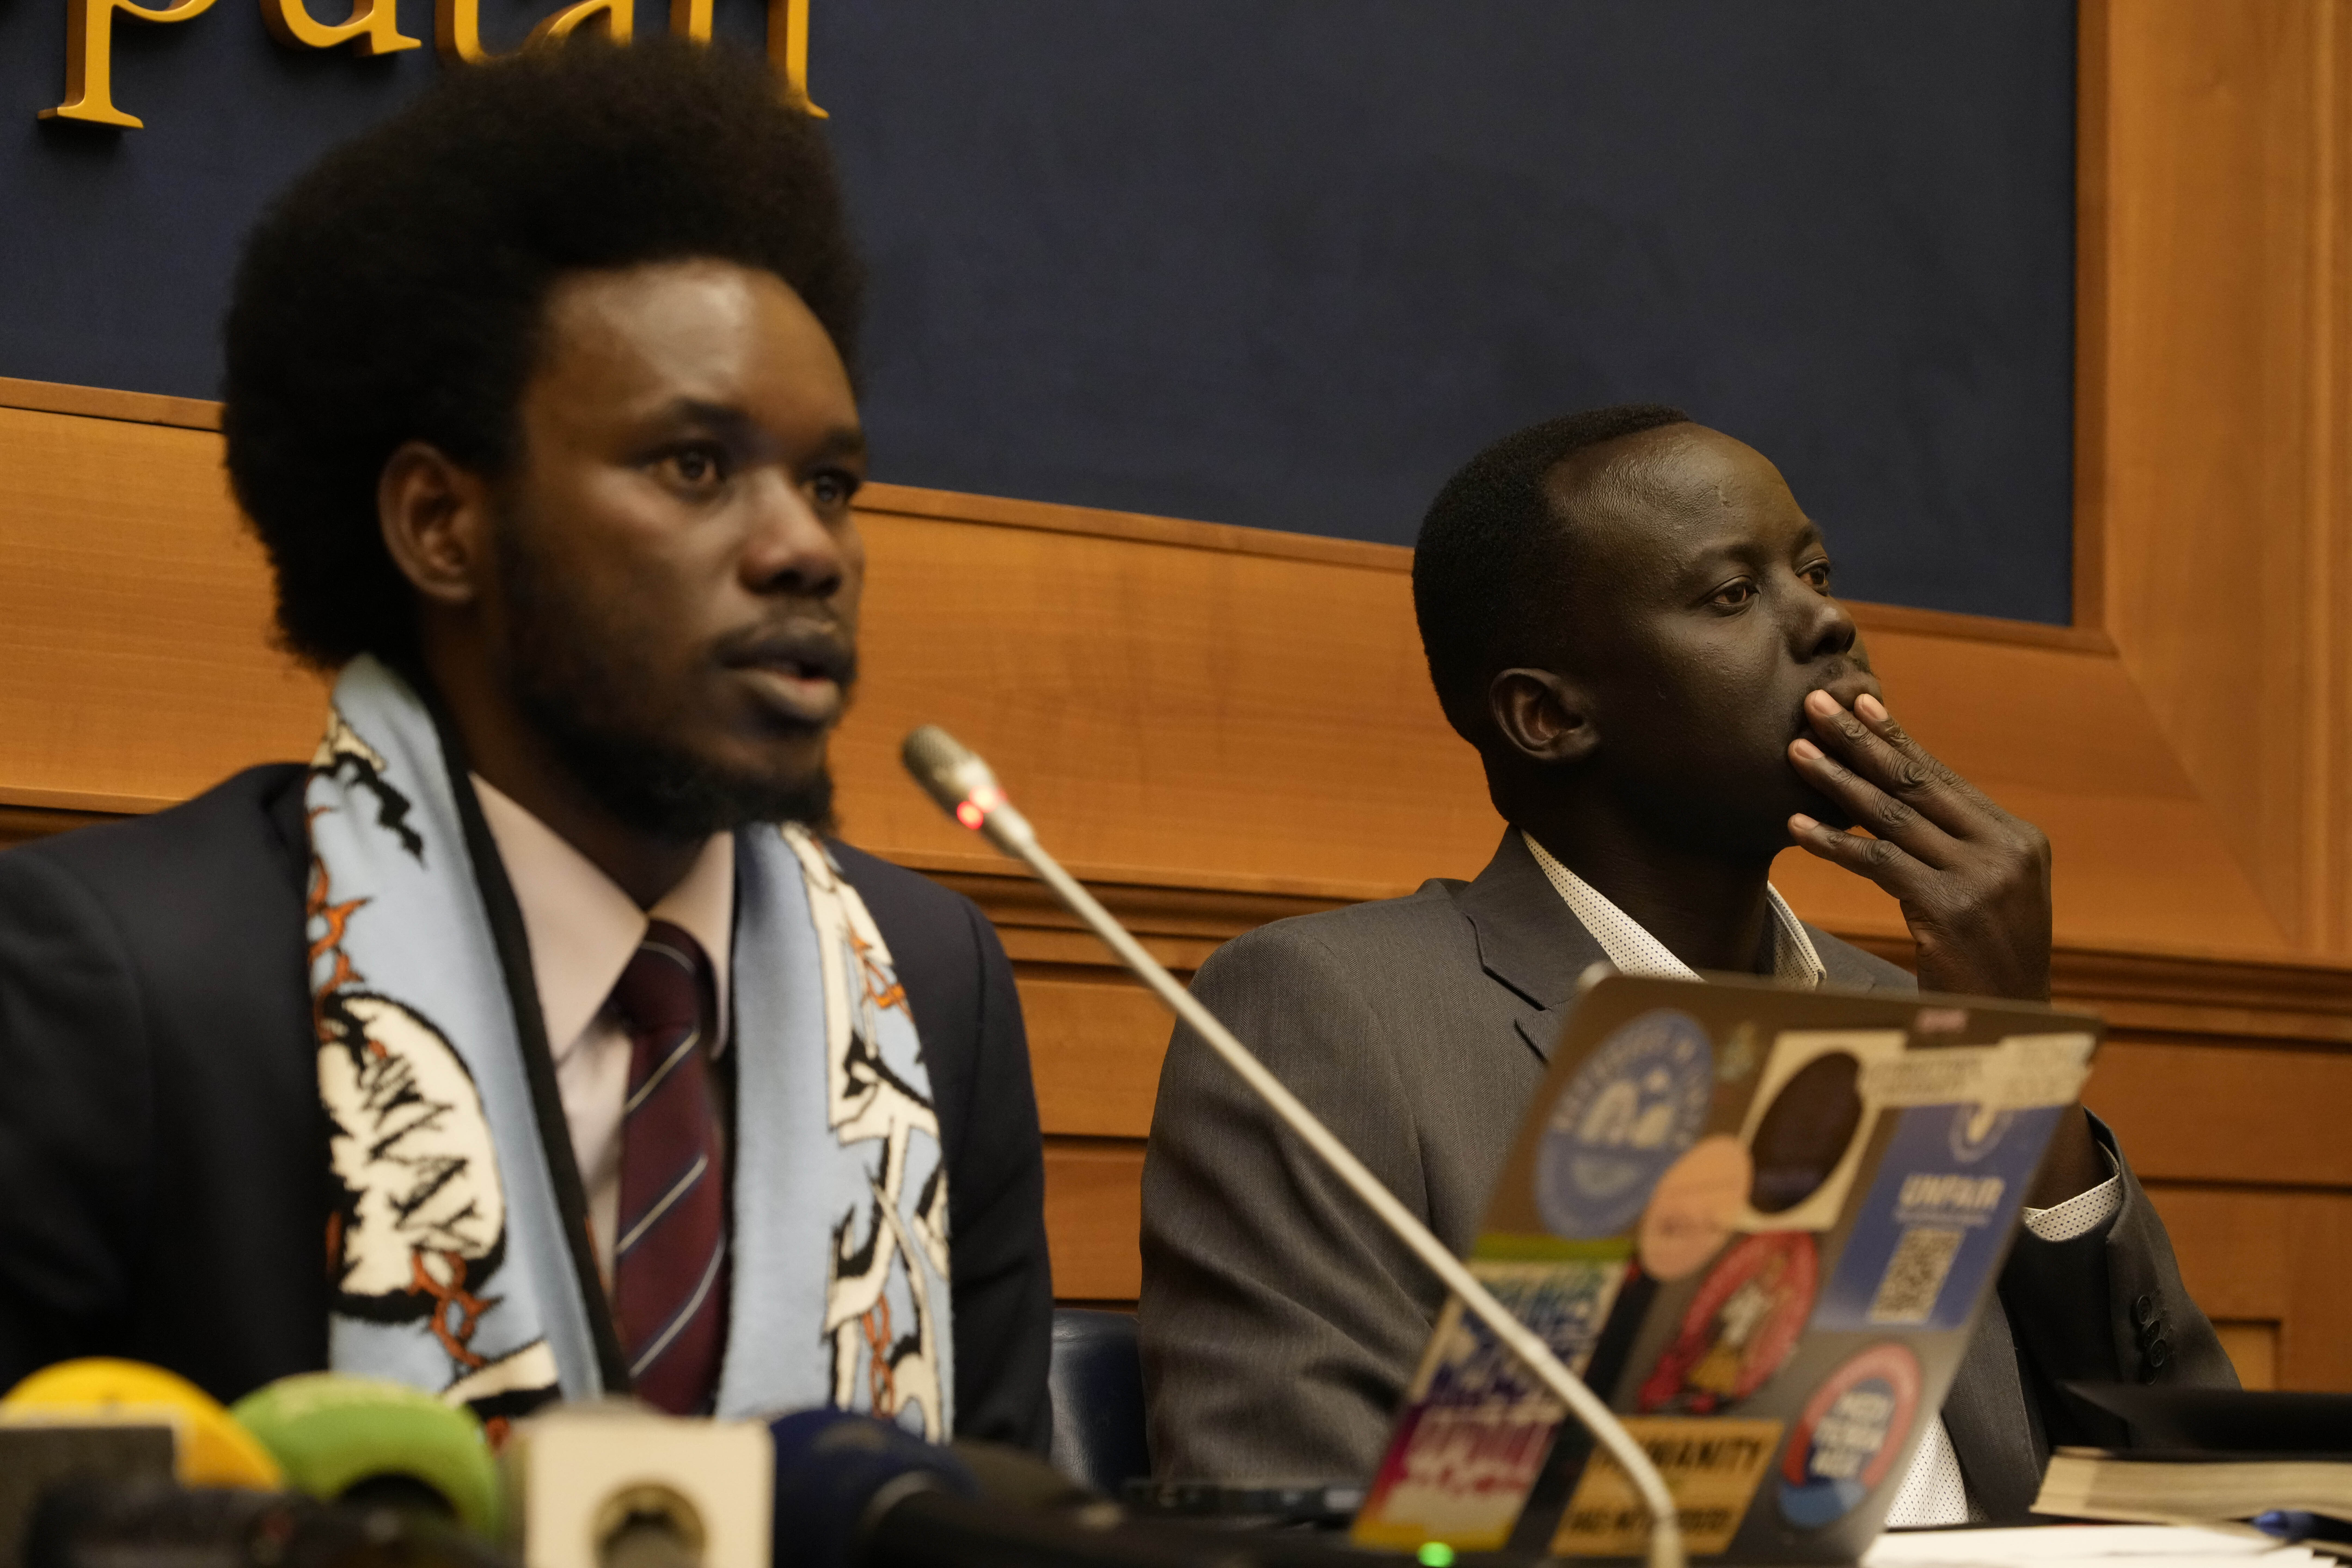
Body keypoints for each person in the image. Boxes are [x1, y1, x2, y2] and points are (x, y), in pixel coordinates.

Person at [0, 39, 1051, 1446]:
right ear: (442, 525)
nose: (807, 548)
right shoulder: (120, 988)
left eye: (830, 483)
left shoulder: (935, 987)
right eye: (695, 466)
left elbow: (997, 1519)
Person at [1139, 405, 2230, 1521]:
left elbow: (2191, 1494)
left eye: (1814, 571)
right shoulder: (1338, 1014)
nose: (1829, 619)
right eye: (1734, 594)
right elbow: (1290, 1517)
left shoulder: (1922, 1017)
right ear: (1548, 715)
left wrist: (2018, 1059)